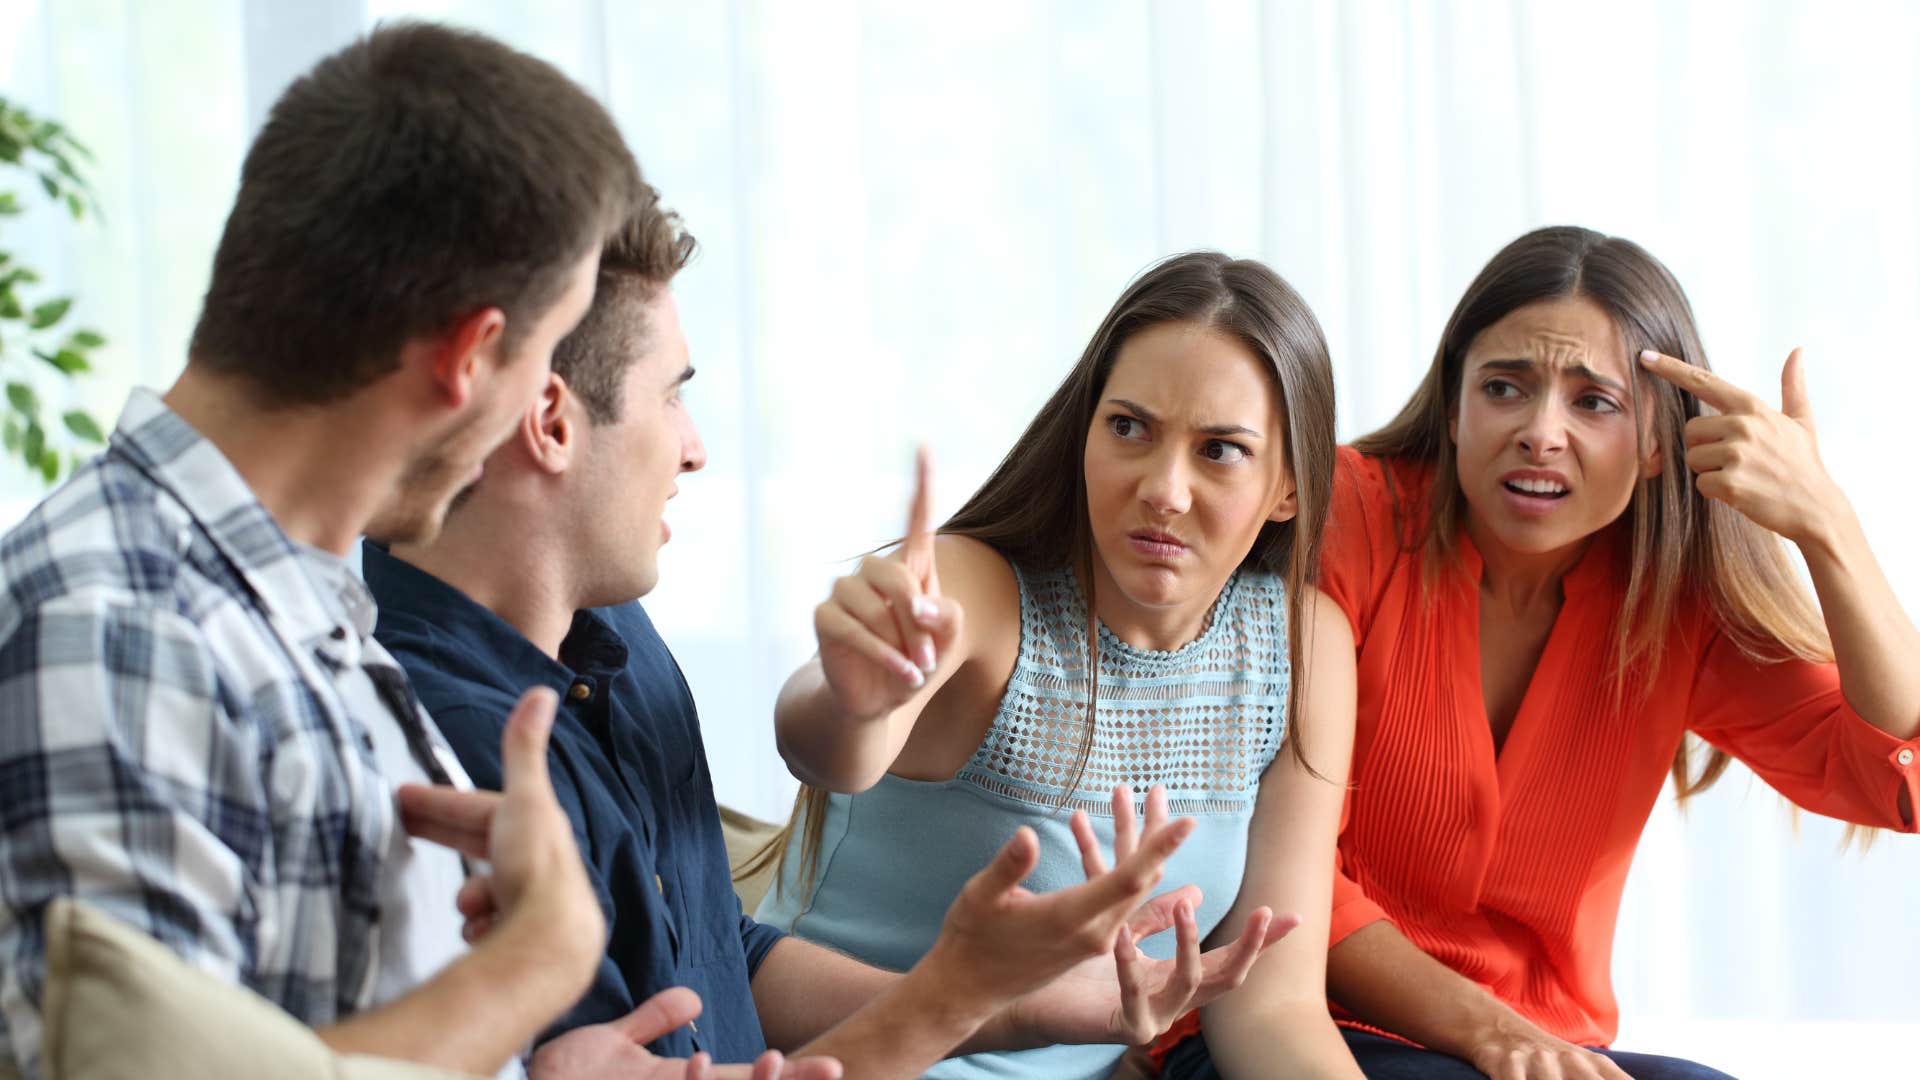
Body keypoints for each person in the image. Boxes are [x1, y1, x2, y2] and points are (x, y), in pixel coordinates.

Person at [367, 208, 1296, 1079]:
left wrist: (1030, 1004)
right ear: (553, 422)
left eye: (1221, 449)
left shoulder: (610, 632)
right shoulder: (447, 746)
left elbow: (726, 957)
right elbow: (817, 740)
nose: (694, 449)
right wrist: (963, 989)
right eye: (673, 397)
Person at [0, 21, 719, 1080]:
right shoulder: (119, 633)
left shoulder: (301, 608)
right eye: (541, 362)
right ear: (469, 358)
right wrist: (531, 967)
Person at [1155, 225, 1920, 1080]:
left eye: (1593, 402)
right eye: (1505, 388)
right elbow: (1273, 874)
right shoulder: (1348, 520)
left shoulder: (1673, 601)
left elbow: (1895, 776)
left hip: (1541, 1048)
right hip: (1294, 1027)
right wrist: (1488, 1031)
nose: (1539, 432)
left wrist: (1830, 528)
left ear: (1661, 442)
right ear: (1454, 407)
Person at [759, 251, 1367, 1078]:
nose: (1163, 488)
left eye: (1219, 450)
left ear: (1288, 488)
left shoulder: (1302, 644)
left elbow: (1271, 1006)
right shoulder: (976, 585)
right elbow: (823, 749)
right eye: (1129, 428)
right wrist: (851, 698)